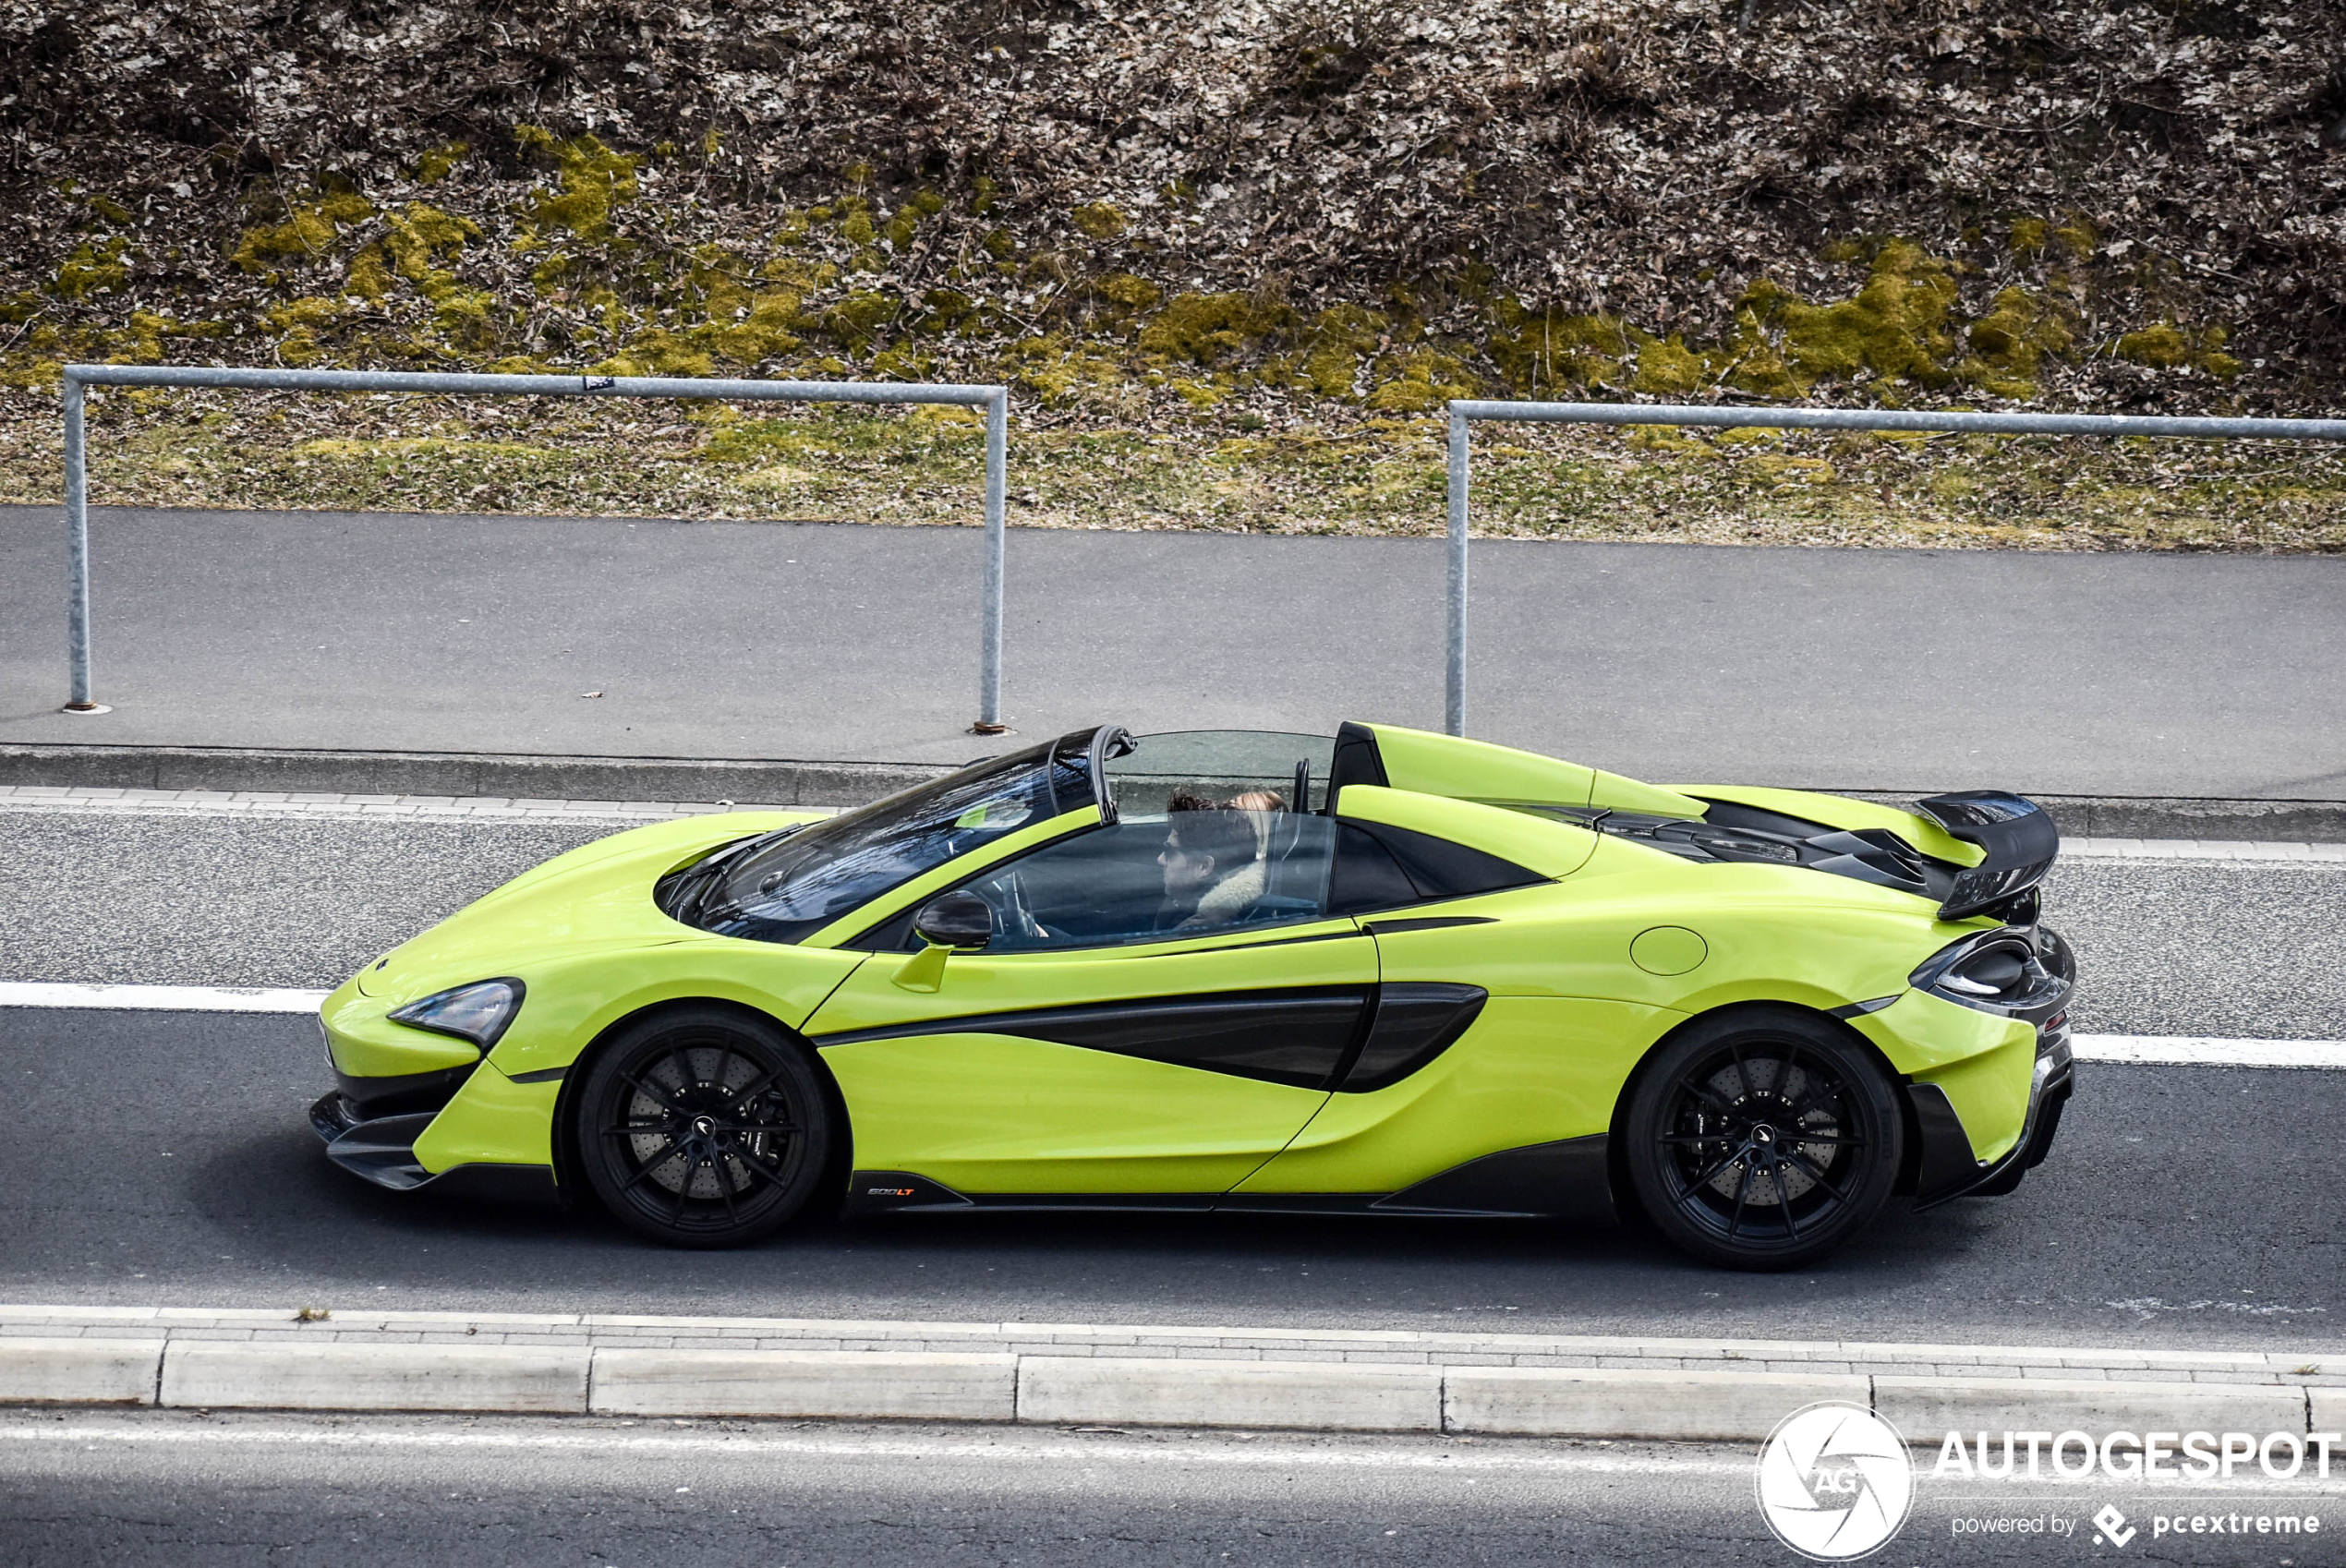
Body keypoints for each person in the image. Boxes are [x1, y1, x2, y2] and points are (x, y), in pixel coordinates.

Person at [1156, 790, 1274, 930]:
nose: (1160, 860)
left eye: (1170, 852)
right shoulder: (1187, 911)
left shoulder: (1198, 931)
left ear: (1204, 867)